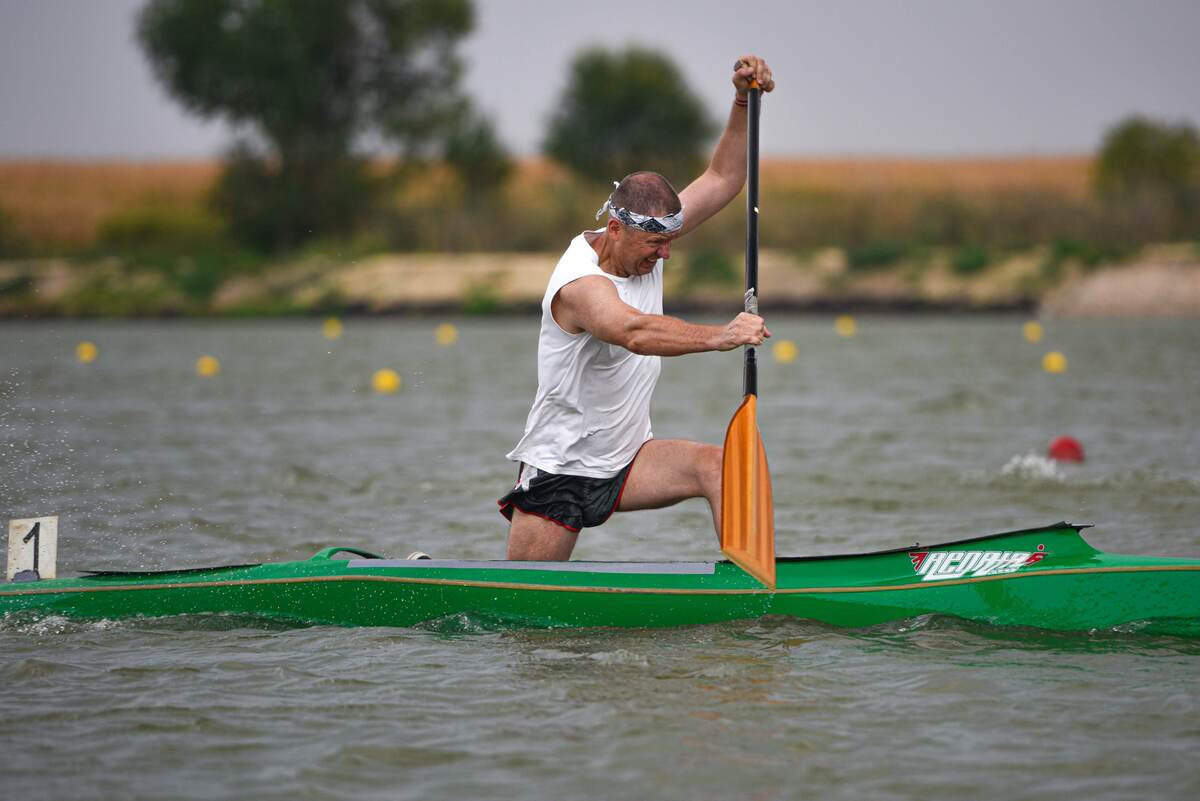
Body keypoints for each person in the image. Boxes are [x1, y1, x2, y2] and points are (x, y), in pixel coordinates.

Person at [499, 55, 776, 561]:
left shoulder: (650, 236)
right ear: (615, 230)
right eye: (655, 245)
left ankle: (755, 585)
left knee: (720, 467)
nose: (666, 253)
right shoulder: (580, 284)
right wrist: (723, 335)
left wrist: (742, 100)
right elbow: (632, 331)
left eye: (670, 241)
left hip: (628, 460)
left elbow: (724, 178)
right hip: (560, 470)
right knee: (527, 627)